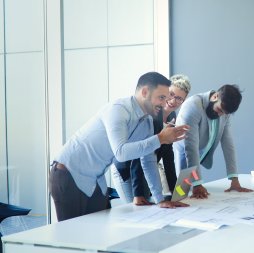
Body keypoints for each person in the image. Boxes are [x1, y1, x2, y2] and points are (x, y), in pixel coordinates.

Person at [50, 72, 190, 222]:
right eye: (162, 97)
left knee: (99, 234)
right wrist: (160, 138)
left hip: (95, 178)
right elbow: (121, 153)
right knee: (72, 237)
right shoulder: (118, 109)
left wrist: (160, 199)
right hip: (68, 173)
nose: (165, 103)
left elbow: (148, 159)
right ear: (144, 92)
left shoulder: (147, 121)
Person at [111, 74, 192, 204]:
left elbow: (167, 153)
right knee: (136, 210)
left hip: (146, 167)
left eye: (179, 98)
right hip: (126, 169)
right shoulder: (152, 115)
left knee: (153, 205)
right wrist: (137, 193)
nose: (173, 101)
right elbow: (139, 153)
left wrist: (175, 193)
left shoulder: (172, 115)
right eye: (171, 94)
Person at [173, 84, 253, 199]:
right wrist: (197, 183)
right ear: (215, 96)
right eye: (219, 110)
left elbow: (228, 143)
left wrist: (234, 179)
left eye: (224, 113)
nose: (220, 115)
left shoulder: (224, 111)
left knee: (193, 197)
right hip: (183, 150)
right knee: (180, 193)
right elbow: (191, 148)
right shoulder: (193, 106)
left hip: (199, 152)